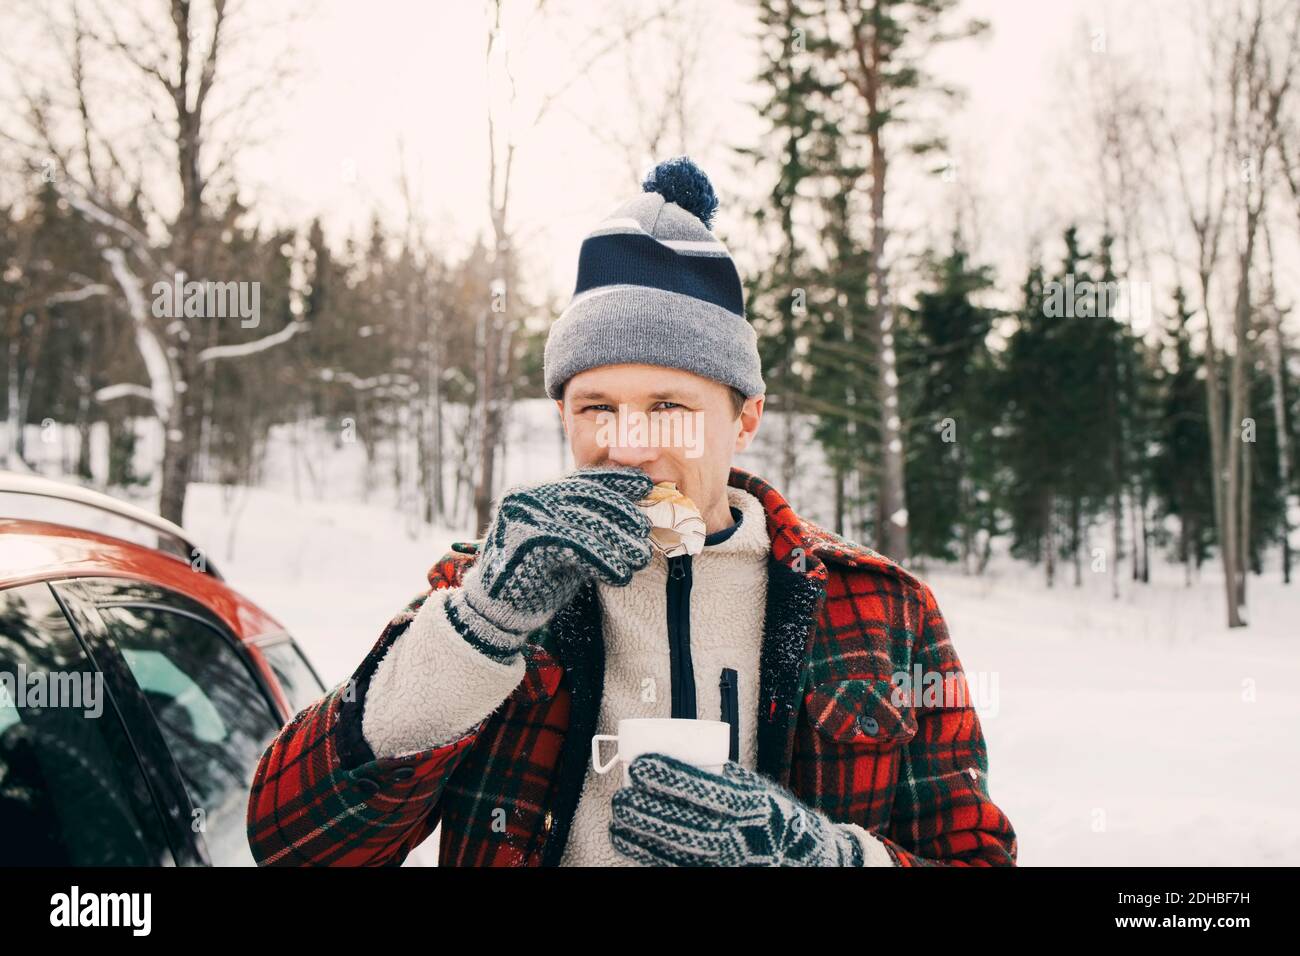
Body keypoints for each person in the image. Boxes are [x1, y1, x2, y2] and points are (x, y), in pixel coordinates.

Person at [246, 156, 1018, 867]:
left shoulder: (882, 608)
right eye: (596, 407)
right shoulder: (489, 586)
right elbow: (294, 843)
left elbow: (973, 855)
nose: (628, 444)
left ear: (745, 417)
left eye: (669, 406)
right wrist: (482, 627)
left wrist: (822, 857)